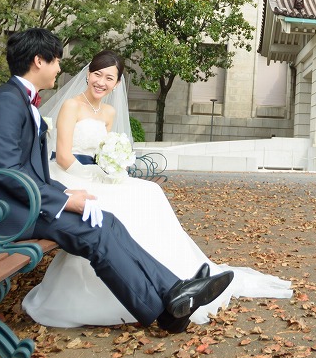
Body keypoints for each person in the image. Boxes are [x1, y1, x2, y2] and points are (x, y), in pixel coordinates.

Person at [0, 28, 233, 333]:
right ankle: (167, 311)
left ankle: (174, 292)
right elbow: (8, 172)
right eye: (56, 61)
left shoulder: (19, 100)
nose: (59, 68)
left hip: (14, 201)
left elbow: (27, 172)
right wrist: (65, 200)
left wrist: (66, 191)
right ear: (38, 61)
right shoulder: (6, 103)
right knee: (93, 234)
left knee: (106, 222)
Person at [21, 49, 292, 327]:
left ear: (117, 83)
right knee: (130, 199)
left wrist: (113, 166)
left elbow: (104, 152)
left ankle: (178, 276)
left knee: (152, 193)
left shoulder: (109, 112)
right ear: (88, 74)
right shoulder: (71, 105)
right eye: (97, 74)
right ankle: (161, 286)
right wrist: (97, 174)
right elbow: (64, 157)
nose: (101, 82)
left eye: (109, 78)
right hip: (70, 176)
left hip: (97, 173)